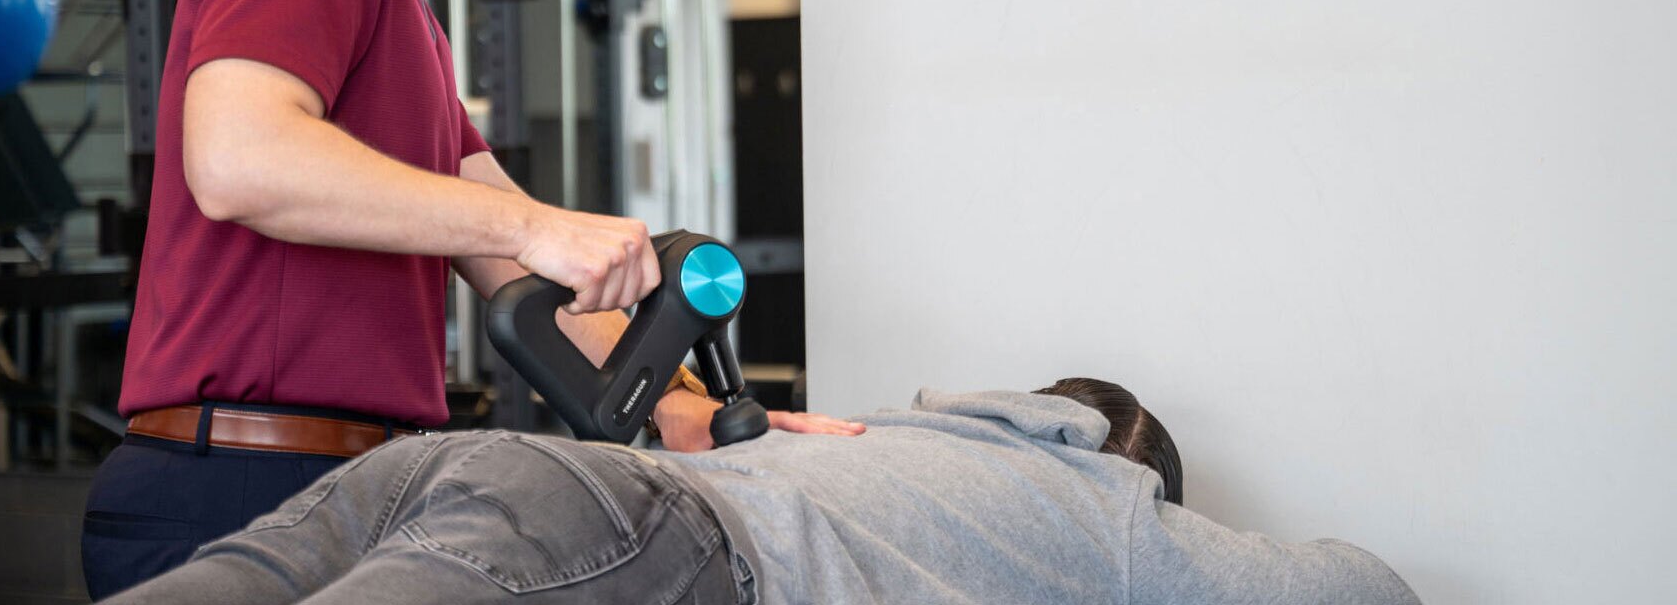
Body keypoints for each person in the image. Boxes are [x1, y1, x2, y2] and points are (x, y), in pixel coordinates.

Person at [80, 0, 860, 599]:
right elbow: (239, 155)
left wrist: (681, 402)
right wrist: (539, 226)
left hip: (345, 486)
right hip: (246, 488)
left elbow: (498, 247)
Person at [96, 378, 1422, 605]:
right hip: (629, 534)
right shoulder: (1108, 507)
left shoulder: (878, 429)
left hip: (459, 457)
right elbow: (1362, 586)